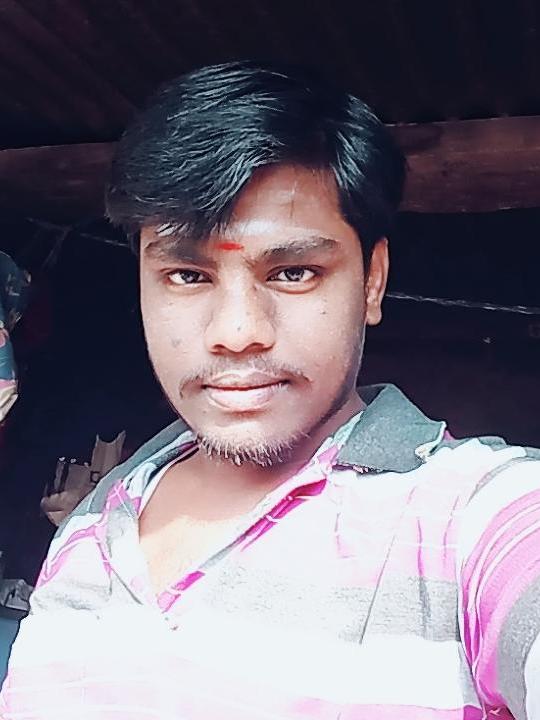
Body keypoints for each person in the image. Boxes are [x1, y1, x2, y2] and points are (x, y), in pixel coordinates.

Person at [1, 60, 538, 720]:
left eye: (293, 272)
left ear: (372, 281)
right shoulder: (92, 526)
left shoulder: (468, 516)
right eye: (187, 276)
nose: (236, 333)